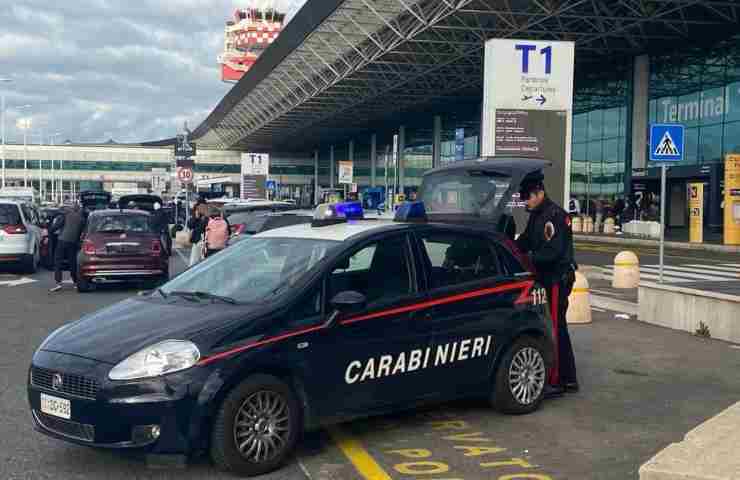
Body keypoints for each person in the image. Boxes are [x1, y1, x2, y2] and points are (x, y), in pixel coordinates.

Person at [515, 170, 579, 398]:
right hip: (547, 280)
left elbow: (551, 253)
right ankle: (565, 378)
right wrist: (509, 247)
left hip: (556, 280)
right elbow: (525, 241)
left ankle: (562, 380)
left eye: (528, 197)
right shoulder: (537, 215)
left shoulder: (555, 216)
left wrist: (528, 258)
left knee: (556, 328)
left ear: (539, 193)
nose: (526, 201)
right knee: (554, 326)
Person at [49, 203, 85, 292]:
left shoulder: (66, 214)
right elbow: (81, 232)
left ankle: (58, 283)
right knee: (72, 262)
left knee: (58, 261)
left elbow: (57, 226)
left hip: (62, 240)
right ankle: (76, 283)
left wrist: (50, 230)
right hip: (73, 242)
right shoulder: (82, 219)